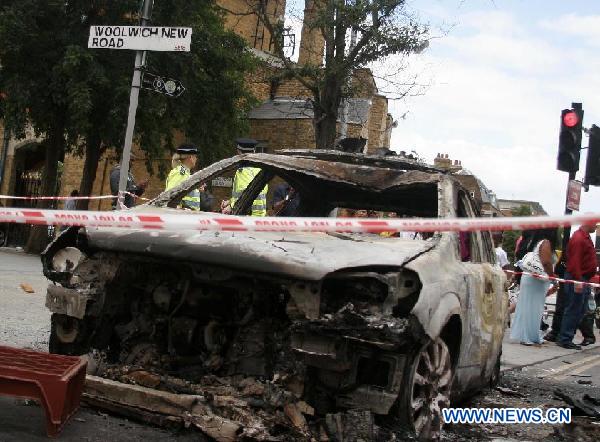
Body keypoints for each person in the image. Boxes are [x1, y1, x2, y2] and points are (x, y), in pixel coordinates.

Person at [509, 229, 558, 346]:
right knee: (534, 308)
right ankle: (528, 336)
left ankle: (529, 335)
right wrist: (552, 277)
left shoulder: (536, 242)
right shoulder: (546, 243)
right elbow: (546, 262)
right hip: (536, 281)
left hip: (530, 278)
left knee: (528, 307)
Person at [557, 222, 599, 350]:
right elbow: (575, 261)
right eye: (595, 224)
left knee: (580, 310)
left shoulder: (584, 236)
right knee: (573, 310)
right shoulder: (579, 238)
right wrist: (577, 280)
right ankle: (565, 338)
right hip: (578, 278)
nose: (596, 227)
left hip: (582, 278)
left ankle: (567, 337)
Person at [221, 138, 268, 216]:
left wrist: (231, 206)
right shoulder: (259, 170)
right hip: (258, 217)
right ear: (254, 152)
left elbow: (246, 194)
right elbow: (249, 192)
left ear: (239, 152)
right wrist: (229, 201)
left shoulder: (243, 171)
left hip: (247, 217)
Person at [165, 144, 201, 211]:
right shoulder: (181, 173)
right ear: (190, 157)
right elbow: (170, 195)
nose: (196, 159)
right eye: (195, 156)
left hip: (186, 216)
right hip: (182, 217)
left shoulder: (185, 173)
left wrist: (195, 188)